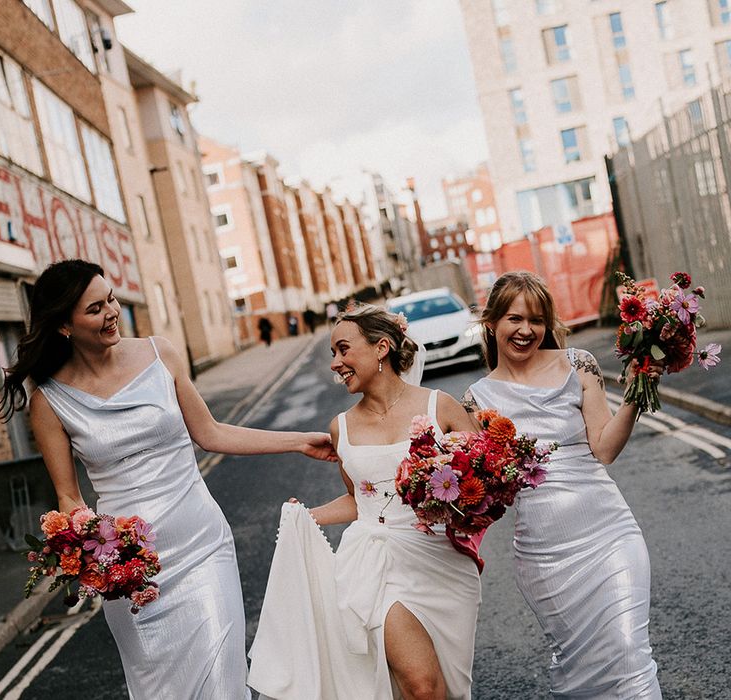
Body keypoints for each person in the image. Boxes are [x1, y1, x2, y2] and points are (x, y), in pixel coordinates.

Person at [0, 259, 335, 700]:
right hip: (131, 570)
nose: (112, 312)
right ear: (64, 325)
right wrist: (94, 557)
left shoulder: (160, 354)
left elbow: (211, 433)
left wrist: (297, 441)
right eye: (95, 309)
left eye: (112, 299)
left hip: (202, 545)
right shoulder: (49, 401)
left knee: (221, 684)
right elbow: (68, 496)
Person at [249, 304, 481, 700]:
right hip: (377, 563)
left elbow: (485, 482)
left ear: (382, 348)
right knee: (422, 686)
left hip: (442, 562)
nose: (336, 363)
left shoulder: (439, 406)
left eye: (343, 349)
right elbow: (363, 500)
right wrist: (307, 515)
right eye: (333, 355)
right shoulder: (341, 428)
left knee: (446, 687)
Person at [462, 271, 662, 699]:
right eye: (515, 318)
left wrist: (636, 392)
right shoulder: (474, 401)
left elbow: (604, 449)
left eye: (537, 320)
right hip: (543, 555)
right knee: (579, 670)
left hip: (610, 533)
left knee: (630, 652)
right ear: (491, 322)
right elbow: (482, 492)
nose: (526, 330)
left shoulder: (579, 364)